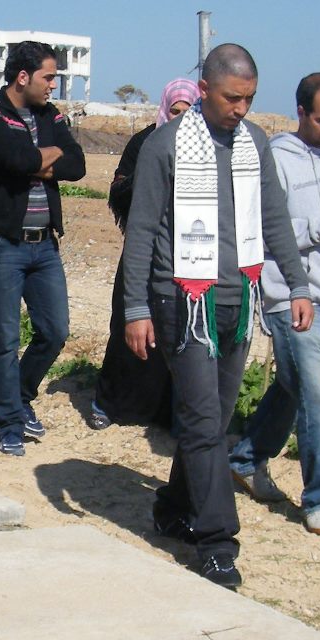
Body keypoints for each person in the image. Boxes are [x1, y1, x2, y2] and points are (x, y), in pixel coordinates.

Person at [119, 43, 312, 589]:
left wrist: (296, 284)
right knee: (204, 423)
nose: (242, 110)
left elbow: (274, 217)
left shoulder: (253, 145)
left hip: (238, 299)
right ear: (203, 90)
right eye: (232, 98)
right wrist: (137, 308)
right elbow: (140, 234)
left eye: (250, 99)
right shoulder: (165, 147)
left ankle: (174, 505)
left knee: (214, 420)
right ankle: (218, 541)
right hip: (182, 301)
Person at [229, 74, 320, 535]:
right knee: (317, 398)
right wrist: (319, 228)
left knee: (291, 388)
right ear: (301, 113)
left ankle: (247, 458)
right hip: (290, 296)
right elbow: (263, 227)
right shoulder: (277, 159)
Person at [0, 39, 87, 456]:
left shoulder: (49, 114)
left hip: (44, 245)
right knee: (3, 338)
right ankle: (8, 421)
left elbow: (77, 164)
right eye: (49, 76)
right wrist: (42, 156)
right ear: (23, 76)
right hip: (2, 244)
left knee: (55, 331)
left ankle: (18, 395)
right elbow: (18, 161)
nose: (54, 85)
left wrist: (42, 156)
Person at [87, 77, 200, 430]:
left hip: (186, 254)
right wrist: (156, 180)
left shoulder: (203, 146)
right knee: (128, 322)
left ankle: (163, 412)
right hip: (144, 248)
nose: (180, 120)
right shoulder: (144, 142)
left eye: (188, 113)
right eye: (175, 112)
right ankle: (109, 404)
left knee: (173, 330)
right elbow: (119, 189)